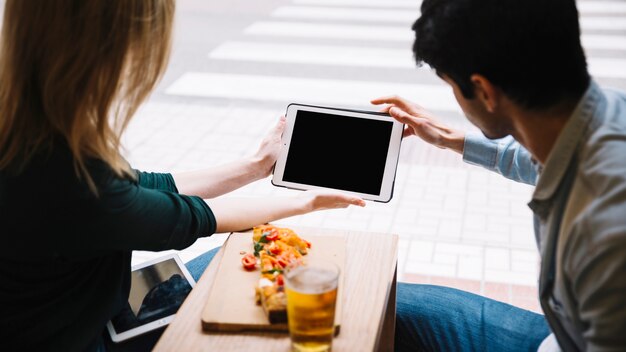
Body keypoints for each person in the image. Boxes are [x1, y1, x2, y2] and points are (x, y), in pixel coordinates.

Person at [0, 1, 365, 351]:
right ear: (109, 56)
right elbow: (193, 216)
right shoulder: (78, 188)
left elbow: (146, 188)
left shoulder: (28, 138)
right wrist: (305, 202)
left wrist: (255, 166)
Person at [371, 0, 626, 351]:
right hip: (566, 334)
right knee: (388, 305)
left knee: (375, 310)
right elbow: (541, 159)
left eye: (452, 86)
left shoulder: (602, 228)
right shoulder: (606, 111)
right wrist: (449, 138)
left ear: (485, 91)